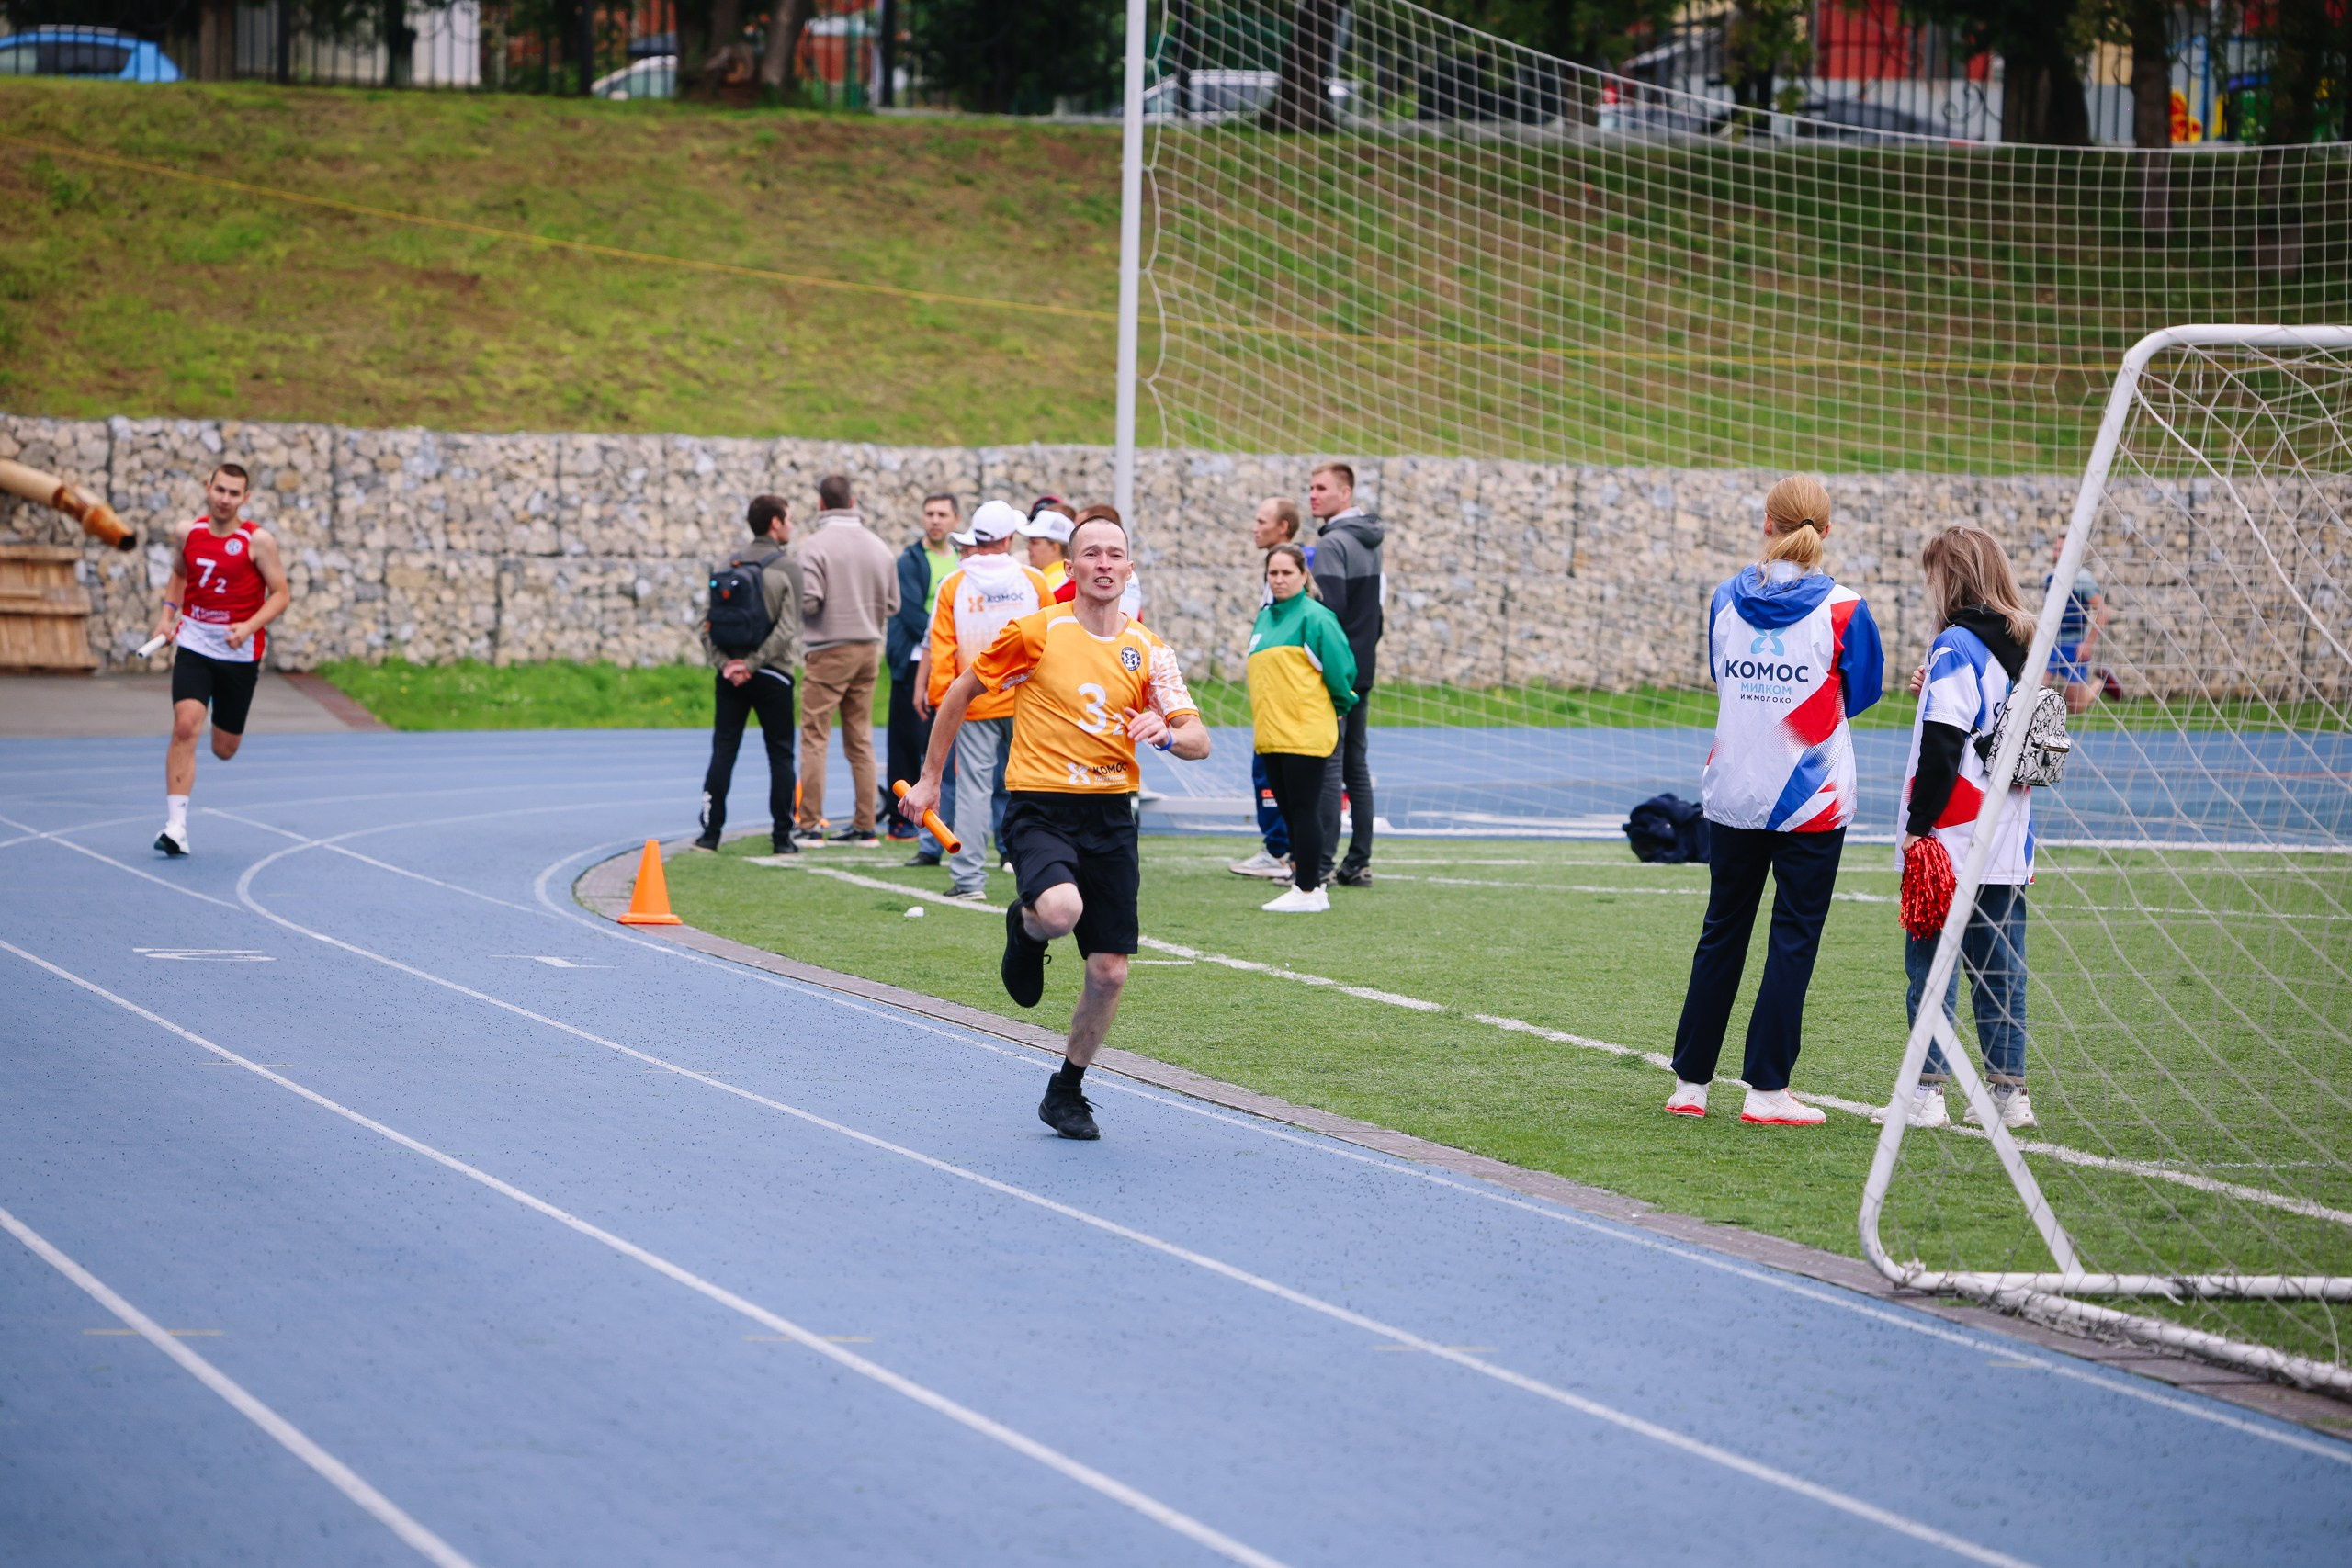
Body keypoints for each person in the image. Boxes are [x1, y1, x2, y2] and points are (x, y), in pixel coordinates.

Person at [900, 509, 1211, 1142]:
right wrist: (931, 778)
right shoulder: (1038, 631)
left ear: (1128, 568)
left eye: (1113, 554)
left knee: (1110, 971)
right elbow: (960, 692)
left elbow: (1199, 738)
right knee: (1062, 909)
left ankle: (1066, 1089)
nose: (1102, 563)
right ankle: (1028, 925)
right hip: (1041, 805)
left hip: (1111, 814)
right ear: (1069, 570)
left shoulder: (1149, 650)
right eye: (1089, 553)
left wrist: (1168, 732)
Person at [1665, 475, 1883, 1126]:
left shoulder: (1724, 598)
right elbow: (1863, 692)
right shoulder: (1846, 608)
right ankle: (1765, 1092)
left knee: (1722, 930)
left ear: (1766, 524)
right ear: (1827, 530)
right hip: (1810, 799)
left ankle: (1690, 1085)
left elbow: (1720, 672)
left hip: (1733, 790)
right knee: (1793, 937)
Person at [1880, 525, 2041, 1132]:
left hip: (1950, 836)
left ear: (1951, 579)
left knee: (1932, 964)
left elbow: (1946, 745)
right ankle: (2009, 1093)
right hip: (2007, 834)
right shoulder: (2025, 643)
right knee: (2001, 966)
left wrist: (1918, 828)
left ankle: (1926, 1092)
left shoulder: (1954, 646)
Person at [151, 463, 289, 857]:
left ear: (245, 499)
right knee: (185, 725)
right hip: (195, 644)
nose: (225, 499)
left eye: (234, 493)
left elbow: (280, 594)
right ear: (207, 488)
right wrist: (166, 616)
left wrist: (247, 627)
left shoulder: (257, 541)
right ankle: (176, 826)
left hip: (238, 652)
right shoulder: (188, 532)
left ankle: (218, 724)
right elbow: (180, 574)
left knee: (224, 748)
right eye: (220, 490)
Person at [925, 500, 1050, 900]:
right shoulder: (1033, 581)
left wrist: (941, 702)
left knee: (973, 791)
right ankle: (1043, 872)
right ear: (1010, 537)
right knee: (1032, 788)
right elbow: (1056, 641)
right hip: (1028, 700)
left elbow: (942, 652)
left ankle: (969, 880)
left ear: (976, 538)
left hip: (974, 700)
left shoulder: (954, 585)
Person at [1247, 543, 1355, 912]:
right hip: (1272, 735)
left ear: (1304, 576)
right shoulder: (1265, 618)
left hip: (1304, 732)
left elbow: (1342, 671)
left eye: (1286, 573)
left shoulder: (1316, 617)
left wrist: (1340, 707)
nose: (1278, 580)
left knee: (1304, 809)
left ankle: (1308, 889)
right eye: (1272, 573)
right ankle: (1304, 884)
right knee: (1289, 811)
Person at [795, 474, 899, 848]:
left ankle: (809, 823)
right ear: (852, 501)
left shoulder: (813, 547)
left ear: (821, 504)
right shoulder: (879, 547)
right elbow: (893, 605)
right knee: (861, 740)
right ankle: (865, 824)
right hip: (868, 648)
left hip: (828, 649)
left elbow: (809, 601)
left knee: (815, 737)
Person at [694, 495, 801, 854]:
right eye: (787, 519)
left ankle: (710, 834)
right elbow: (788, 629)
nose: (790, 525)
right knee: (781, 755)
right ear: (774, 523)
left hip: (729, 677)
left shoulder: (727, 564)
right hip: (774, 675)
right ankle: (783, 838)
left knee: (723, 750)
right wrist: (754, 664)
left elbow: (705, 625)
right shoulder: (787, 568)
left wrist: (727, 664)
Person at [1308, 463, 1384, 887]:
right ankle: (1359, 862)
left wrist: (1325, 666)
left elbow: (1328, 613)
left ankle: (1319, 864)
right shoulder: (1370, 539)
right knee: (1356, 763)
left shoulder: (1334, 543)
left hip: (1339, 671)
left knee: (1331, 765)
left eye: (1322, 488)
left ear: (1345, 492)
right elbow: (1378, 609)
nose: (1313, 495)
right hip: (1364, 665)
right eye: (1310, 488)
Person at [1231, 496, 1310, 880]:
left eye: (1262, 520)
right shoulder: (1275, 582)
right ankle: (1282, 849)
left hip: (1291, 703)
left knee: (1283, 776)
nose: (1254, 527)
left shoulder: (1300, 588)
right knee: (1267, 770)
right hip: (1269, 702)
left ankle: (1285, 852)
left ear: (1283, 528)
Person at [887, 492, 961, 850]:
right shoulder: (910, 560)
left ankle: (945, 818)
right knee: (906, 742)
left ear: (955, 521)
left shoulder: (961, 559)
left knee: (940, 745)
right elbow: (912, 610)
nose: (935, 520)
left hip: (948, 662)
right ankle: (899, 819)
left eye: (942, 514)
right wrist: (943, 640)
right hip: (915, 659)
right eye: (929, 513)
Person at [2044, 540, 2106, 715]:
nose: (2056, 553)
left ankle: (2101, 681)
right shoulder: (2050, 577)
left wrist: (2088, 643)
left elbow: (2103, 612)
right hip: (2050, 646)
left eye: (2061, 550)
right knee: (2031, 694)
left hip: (2073, 647)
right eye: (2055, 549)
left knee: (2077, 707)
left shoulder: (2082, 578)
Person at [1017, 500, 1074, 598]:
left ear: (1054, 548)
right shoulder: (1056, 579)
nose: (1028, 547)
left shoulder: (1054, 586)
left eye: (1034, 543)